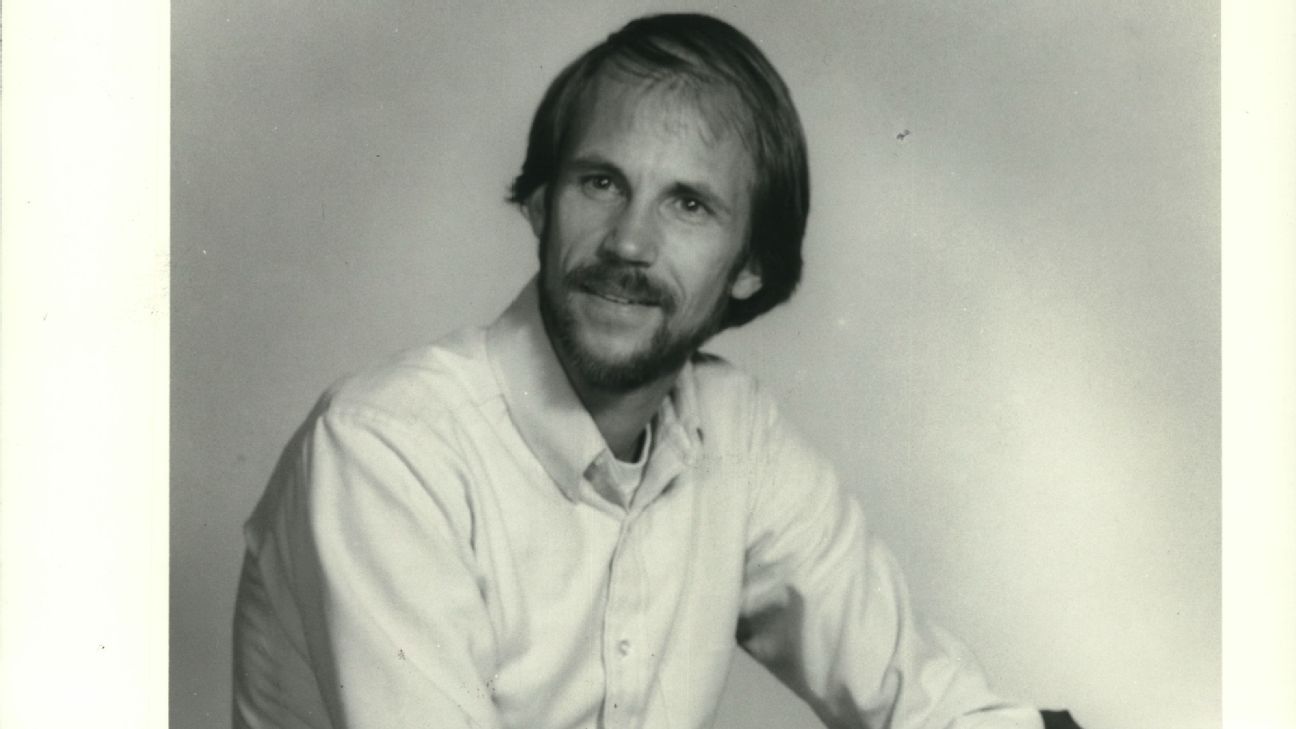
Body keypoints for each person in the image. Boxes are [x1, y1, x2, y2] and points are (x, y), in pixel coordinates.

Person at [233, 13, 1081, 729]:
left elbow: (929, 700)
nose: (630, 242)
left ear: (750, 265)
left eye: (689, 203)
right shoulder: (387, 449)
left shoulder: (733, 430)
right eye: (602, 183)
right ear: (541, 205)